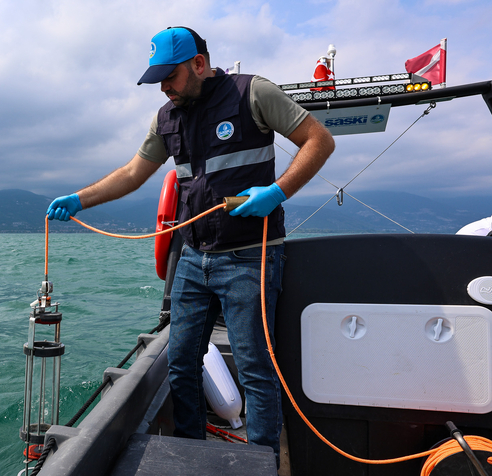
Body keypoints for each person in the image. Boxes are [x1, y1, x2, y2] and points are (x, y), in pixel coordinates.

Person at [46, 26, 335, 463]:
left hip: (250, 259)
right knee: (180, 365)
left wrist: (277, 192)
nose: (163, 87)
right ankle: (188, 456)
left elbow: (320, 140)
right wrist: (79, 200)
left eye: (170, 76)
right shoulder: (166, 118)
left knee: (256, 370)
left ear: (199, 63)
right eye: (158, 79)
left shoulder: (252, 93)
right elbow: (132, 173)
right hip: (192, 259)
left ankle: (261, 464)